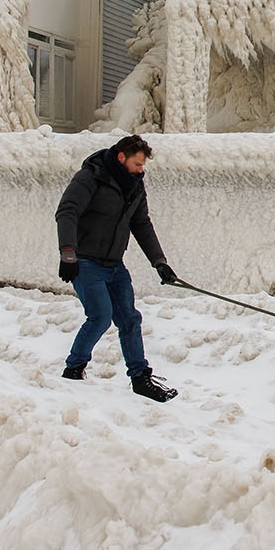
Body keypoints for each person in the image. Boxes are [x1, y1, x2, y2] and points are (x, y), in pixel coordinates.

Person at [55, 134, 179, 402]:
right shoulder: (92, 176)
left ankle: (140, 378)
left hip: (114, 264)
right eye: (137, 164)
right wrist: (67, 254)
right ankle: (74, 369)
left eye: (142, 165)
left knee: (129, 319)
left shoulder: (134, 185)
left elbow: (142, 224)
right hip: (85, 262)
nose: (140, 170)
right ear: (121, 157)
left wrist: (159, 262)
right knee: (100, 316)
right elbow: (67, 211)